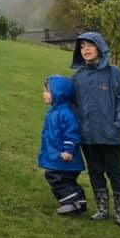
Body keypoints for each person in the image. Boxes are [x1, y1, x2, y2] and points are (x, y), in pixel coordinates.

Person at [71, 31, 120, 228]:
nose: (86, 50)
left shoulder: (115, 74)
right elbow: (72, 106)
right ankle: (102, 208)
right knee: (95, 172)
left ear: (100, 47)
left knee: (115, 173)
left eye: (90, 45)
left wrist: (117, 126)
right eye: (82, 46)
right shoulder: (78, 78)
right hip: (88, 136)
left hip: (110, 136)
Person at [38, 75, 87, 215]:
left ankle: (70, 202)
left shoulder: (65, 114)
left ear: (58, 93)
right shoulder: (55, 112)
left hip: (63, 157)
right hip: (57, 156)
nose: (44, 94)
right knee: (67, 180)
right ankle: (79, 202)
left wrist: (68, 151)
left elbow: (72, 134)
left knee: (56, 177)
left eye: (47, 91)